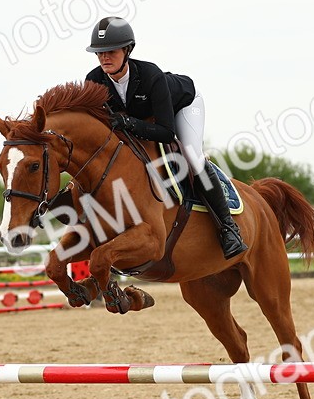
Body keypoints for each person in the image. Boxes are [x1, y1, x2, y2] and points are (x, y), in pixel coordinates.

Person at [83, 16, 247, 259]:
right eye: (99, 53)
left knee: (193, 157)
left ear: (127, 50)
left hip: (183, 105)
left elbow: (166, 132)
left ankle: (228, 228)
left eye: (111, 51)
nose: (104, 57)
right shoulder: (94, 80)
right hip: (145, 119)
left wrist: (127, 122)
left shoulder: (150, 76)